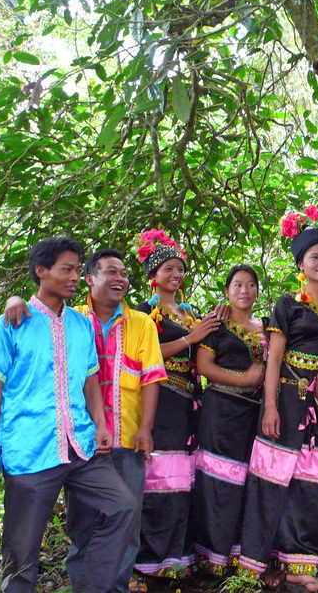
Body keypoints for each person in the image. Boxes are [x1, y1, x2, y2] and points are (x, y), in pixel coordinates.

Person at [3, 248, 168, 593]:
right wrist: (14, 298)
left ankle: (114, 588)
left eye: (124, 273)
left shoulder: (141, 323)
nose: (120, 278)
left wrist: (146, 428)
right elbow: (37, 310)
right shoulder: (73, 317)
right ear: (90, 279)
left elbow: (152, 378)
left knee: (126, 519)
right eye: (111, 272)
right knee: (83, 525)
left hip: (125, 437)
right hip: (78, 442)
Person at [0, 237, 136, 593]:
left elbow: (90, 379)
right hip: (30, 451)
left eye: (78, 270)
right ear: (41, 271)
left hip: (81, 446)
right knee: (22, 550)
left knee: (123, 508)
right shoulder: (10, 323)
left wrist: (99, 424)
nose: (75, 277)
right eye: (67, 269)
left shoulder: (81, 325)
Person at [237, 206, 318, 593]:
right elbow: (273, 359)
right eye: (313, 257)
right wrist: (270, 407)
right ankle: (261, 560)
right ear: (301, 264)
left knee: (310, 480)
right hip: (286, 399)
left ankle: (300, 565)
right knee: (272, 477)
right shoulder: (288, 305)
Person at [132, 229, 220, 589]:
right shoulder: (142, 312)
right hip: (162, 398)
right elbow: (144, 357)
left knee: (185, 482)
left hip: (189, 401)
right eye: (169, 269)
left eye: (181, 270)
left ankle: (180, 562)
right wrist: (191, 338)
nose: (176, 276)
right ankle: (149, 564)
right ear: (154, 276)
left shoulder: (187, 312)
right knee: (159, 482)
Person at [192, 264, 267, 576]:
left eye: (251, 285)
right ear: (226, 291)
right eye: (237, 285)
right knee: (217, 480)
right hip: (221, 410)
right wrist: (244, 378)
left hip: (253, 414)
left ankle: (237, 553)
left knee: (246, 482)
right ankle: (211, 556)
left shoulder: (266, 326)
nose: (244, 291)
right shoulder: (216, 325)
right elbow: (204, 367)